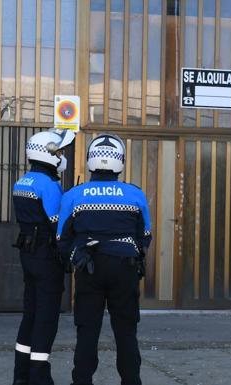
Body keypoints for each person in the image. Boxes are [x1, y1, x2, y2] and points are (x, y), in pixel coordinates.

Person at [56, 134, 152, 385]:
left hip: (89, 269)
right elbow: (145, 236)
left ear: (90, 160)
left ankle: (82, 381)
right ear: (120, 160)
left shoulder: (74, 195)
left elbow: (62, 239)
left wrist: (75, 257)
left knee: (87, 331)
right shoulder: (135, 195)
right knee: (126, 332)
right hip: (125, 269)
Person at [11, 129, 75, 385]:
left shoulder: (22, 182)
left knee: (30, 314)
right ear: (47, 153)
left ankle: (20, 376)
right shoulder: (48, 185)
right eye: (59, 151)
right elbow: (57, 224)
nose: (61, 156)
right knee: (46, 318)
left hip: (28, 255)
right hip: (47, 257)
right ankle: (39, 377)